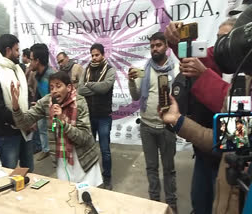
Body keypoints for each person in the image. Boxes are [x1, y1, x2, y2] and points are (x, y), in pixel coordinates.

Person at [164, 18, 236, 214]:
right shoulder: (219, 58)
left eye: (228, 39)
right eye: (219, 39)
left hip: (232, 168)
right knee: (201, 205)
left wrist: (180, 122)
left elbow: (232, 138)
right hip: (206, 155)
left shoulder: (243, 81)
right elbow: (231, 138)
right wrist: (178, 40)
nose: (222, 46)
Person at [11, 71, 102, 186]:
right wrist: (15, 105)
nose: (54, 91)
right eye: (51, 87)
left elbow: (84, 137)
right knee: (65, 195)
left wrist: (63, 122)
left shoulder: (80, 102)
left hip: (84, 160)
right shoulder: (46, 102)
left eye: (58, 86)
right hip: (62, 160)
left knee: (89, 196)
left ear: (69, 87)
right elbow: (23, 122)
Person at [127, 32, 178, 212]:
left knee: (169, 169)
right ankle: (155, 204)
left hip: (167, 128)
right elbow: (135, 96)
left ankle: (172, 205)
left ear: (166, 46)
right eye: (152, 46)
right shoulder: (143, 70)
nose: (154, 49)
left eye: (158, 45)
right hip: (147, 127)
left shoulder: (176, 69)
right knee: (151, 168)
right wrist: (131, 82)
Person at [0, 34, 34, 172]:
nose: (19, 54)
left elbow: (26, 94)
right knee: (10, 174)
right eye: (16, 50)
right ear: (8, 50)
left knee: (28, 170)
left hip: (26, 130)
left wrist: (30, 118)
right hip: (7, 135)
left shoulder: (18, 69)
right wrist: (23, 121)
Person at [78, 43, 115, 190]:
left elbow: (105, 87)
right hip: (89, 116)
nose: (94, 57)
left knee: (105, 149)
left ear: (103, 55)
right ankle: (92, 177)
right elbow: (80, 89)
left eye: (97, 55)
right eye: (92, 55)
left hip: (104, 116)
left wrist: (90, 85)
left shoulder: (110, 70)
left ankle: (107, 178)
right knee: (89, 148)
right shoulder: (86, 69)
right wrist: (97, 87)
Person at [27, 43, 55, 161]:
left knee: (54, 132)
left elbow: (57, 98)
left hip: (53, 111)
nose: (30, 63)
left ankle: (56, 153)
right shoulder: (36, 74)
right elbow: (37, 90)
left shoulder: (52, 75)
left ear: (37, 61)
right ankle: (46, 150)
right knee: (41, 128)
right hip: (42, 107)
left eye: (31, 59)